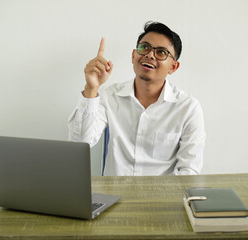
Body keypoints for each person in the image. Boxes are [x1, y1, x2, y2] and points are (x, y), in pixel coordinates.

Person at [68, 21, 206, 176]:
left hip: (163, 198)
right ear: (134, 56)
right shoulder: (110, 96)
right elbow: (80, 143)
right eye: (144, 47)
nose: (149, 55)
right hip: (114, 197)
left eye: (161, 52)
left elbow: (189, 170)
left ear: (173, 67)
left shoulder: (188, 108)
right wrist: (91, 88)